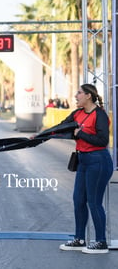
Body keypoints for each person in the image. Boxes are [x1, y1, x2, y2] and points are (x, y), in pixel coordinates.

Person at [58, 84, 113, 254]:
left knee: (94, 202)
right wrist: (38, 137)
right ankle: (79, 239)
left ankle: (101, 243)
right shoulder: (77, 113)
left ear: (88, 96)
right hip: (83, 160)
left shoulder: (99, 115)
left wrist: (80, 134)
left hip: (99, 161)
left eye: (79, 93)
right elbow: (61, 127)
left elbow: (102, 141)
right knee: (78, 200)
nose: (76, 96)